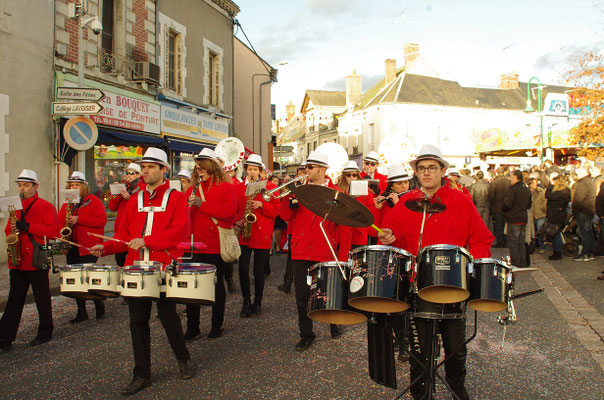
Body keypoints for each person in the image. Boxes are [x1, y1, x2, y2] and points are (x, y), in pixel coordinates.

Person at [379, 144, 493, 400]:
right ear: (416, 173)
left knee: (456, 347)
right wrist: (388, 238)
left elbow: (482, 239)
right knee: (419, 347)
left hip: (453, 285)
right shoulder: (406, 202)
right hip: (417, 284)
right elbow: (394, 241)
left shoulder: (461, 200)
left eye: (432, 168)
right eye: (421, 168)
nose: (427, 173)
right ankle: (420, 391)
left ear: (443, 170)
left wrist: (472, 267)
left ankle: (456, 384)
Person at [90, 148, 194, 396]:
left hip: (163, 266)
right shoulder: (133, 200)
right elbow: (124, 236)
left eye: (150, 167)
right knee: (137, 321)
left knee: (168, 318)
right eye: (143, 167)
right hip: (135, 269)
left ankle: (184, 358)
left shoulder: (176, 198)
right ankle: (141, 374)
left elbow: (180, 232)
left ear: (163, 170)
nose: (144, 171)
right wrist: (104, 247)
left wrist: (147, 240)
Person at [281, 151, 351, 351]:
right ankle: (306, 334)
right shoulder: (299, 191)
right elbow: (286, 215)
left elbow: (344, 230)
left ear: (322, 169)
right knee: (302, 297)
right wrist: (288, 196)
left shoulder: (336, 193)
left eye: (310, 168)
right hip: (301, 251)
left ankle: (333, 323)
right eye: (305, 168)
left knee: (329, 293)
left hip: (325, 251)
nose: (306, 171)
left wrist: (342, 258)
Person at [0, 170, 60, 351]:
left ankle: (45, 331)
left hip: (36, 258)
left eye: (26, 185)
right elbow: (7, 231)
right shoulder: (15, 206)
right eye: (20, 185)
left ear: (35, 186)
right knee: (14, 300)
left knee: (42, 298)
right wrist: (13, 234)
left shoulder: (45, 206)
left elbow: (53, 232)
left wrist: (28, 226)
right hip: (18, 260)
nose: (22, 189)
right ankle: (4, 338)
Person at [183, 148, 237, 340]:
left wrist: (201, 204)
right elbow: (185, 217)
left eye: (202, 168)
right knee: (191, 287)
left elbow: (229, 214)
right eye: (197, 168)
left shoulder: (226, 187)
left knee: (216, 286)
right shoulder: (192, 188)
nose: (199, 171)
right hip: (193, 244)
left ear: (212, 168)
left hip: (214, 245)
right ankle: (193, 327)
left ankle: (216, 325)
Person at [373, 164, 412, 362]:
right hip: (386, 253)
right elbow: (374, 232)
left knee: (403, 298)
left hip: (404, 253)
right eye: (399, 183)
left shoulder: (411, 201)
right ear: (391, 186)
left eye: (406, 181)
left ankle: (405, 341)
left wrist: (399, 206)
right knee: (390, 297)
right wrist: (378, 209)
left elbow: (411, 227)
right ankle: (397, 336)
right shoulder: (385, 201)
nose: (404, 185)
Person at [58, 171, 107, 323]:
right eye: (72, 185)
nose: (74, 187)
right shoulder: (68, 203)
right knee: (76, 280)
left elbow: (101, 220)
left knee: (89, 277)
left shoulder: (92, 200)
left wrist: (79, 219)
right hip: (72, 245)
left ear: (83, 186)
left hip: (89, 246)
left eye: (77, 185)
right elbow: (60, 222)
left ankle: (99, 303)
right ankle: (81, 311)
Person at [234, 154, 280, 318]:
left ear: (260, 171)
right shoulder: (239, 187)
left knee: (259, 272)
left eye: (255, 169)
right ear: (246, 169)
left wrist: (262, 205)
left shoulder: (268, 187)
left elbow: (276, 210)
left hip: (261, 233)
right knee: (242, 269)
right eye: (249, 169)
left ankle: (258, 302)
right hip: (245, 232)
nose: (252, 172)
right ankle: (246, 300)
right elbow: (233, 208)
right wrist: (236, 220)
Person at [107, 163, 143, 268]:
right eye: (127, 173)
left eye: (132, 173)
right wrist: (115, 192)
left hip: (135, 229)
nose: (128, 175)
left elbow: (141, 206)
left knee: (133, 260)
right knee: (119, 259)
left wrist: (129, 199)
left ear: (138, 175)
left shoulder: (142, 188)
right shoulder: (125, 187)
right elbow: (112, 207)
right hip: (121, 228)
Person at [278, 162, 306, 294]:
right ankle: (287, 283)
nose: (300, 175)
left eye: (303, 173)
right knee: (291, 257)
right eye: (299, 173)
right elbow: (285, 214)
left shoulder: (308, 188)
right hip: (293, 228)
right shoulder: (294, 186)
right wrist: (287, 192)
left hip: (304, 228)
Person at [337, 160, 376, 249]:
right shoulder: (338, 191)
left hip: (359, 233)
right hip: (342, 234)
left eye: (354, 175)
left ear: (357, 176)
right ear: (344, 176)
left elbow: (371, 210)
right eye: (348, 175)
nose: (351, 177)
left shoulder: (366, 192)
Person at [501, 170, 531, 267]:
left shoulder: (513, 189)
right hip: (523, 216)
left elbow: (507, 203)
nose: (510, 179)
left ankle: (516, 262)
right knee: (521, 242)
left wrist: (504, 210)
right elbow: (529, 204)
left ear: (516, 177)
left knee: (513, 241)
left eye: (511, 177)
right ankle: (523, 262)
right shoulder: (526, 188)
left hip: (514, 218)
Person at [545, 173, 571, 260]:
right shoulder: (566, 191)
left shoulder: (560, 193)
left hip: (555, 215)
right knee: (557, 233)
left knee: (555, 233)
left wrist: (550, 185)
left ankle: (557, 252)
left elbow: (547, 195)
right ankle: (557, 251)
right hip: (560, 214)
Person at [572, 166, 596, 261]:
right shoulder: (589, 181)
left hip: (583, 211)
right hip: (588, 210)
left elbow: (578, 198)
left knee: (585, 232)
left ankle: (586, 253)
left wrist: (574, 210)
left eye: (578, 173)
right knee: (588, 232)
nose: (577, 175)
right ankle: (589, 252)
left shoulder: (584, 182)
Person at [488, 167, 510, 247]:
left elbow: (491, 196)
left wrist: (491, 206)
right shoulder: (509, 181)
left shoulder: (494, 182)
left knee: (498, 226)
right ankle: (506, 241)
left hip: (497, 207)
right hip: (507, 207)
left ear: (496, 172)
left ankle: (500, 242)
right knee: (506, 226)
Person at [528, 177, 547, 254]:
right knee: (532, 231)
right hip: (531, 214)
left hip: (540, 214)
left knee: (541, 231)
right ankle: (533, 246)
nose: (535, 184)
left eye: (535, 182)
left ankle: (542, 246)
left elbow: (544, 201)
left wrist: (543, 209)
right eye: (533, 183)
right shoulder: (527, 192)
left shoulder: (540, 191)